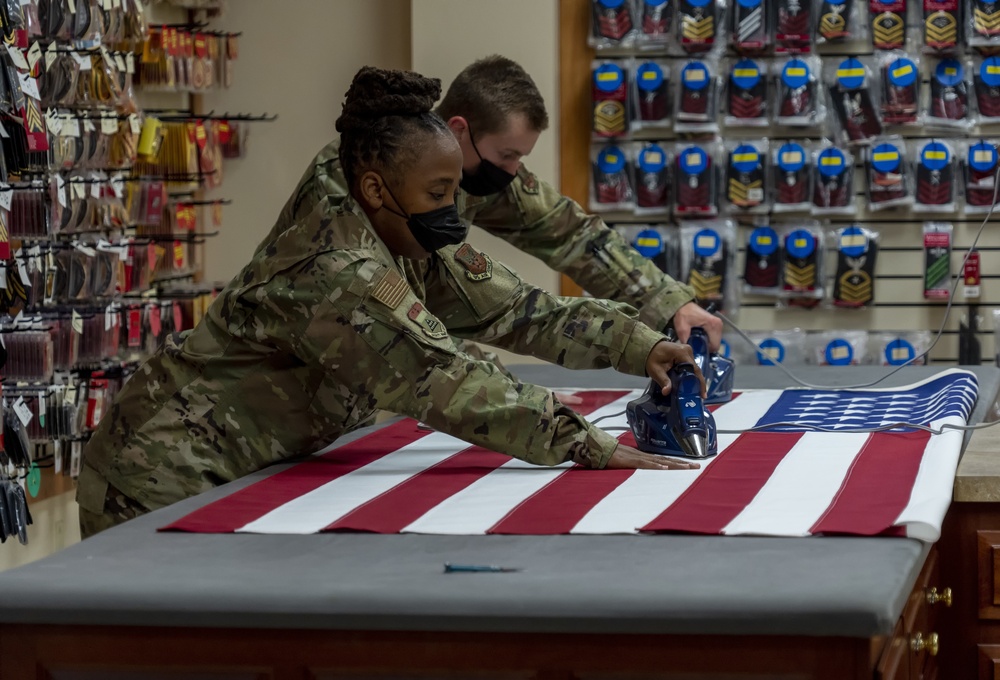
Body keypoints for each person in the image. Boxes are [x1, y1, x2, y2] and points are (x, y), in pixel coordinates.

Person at [76, 66, 704, 538]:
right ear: (377, 188)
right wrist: (583, 441)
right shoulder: (337, 269)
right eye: (439, 194)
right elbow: (436, 375)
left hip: (253, 459)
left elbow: (510, 308)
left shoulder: (398, 215)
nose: (452, 214)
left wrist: (637, 342)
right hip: (163, 473)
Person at [262, 55, 724, 358]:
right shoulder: (358, 174)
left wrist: (668, 303)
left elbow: (572, 234)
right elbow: (384, 307)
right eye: (508, 155)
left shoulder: (480, 172)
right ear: (459, 129)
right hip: (280, 385)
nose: (514, 170)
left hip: (348, 400)